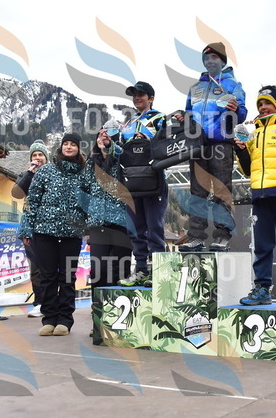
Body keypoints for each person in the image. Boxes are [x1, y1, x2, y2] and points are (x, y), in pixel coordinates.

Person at [235, 86, 276, 307]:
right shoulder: (253, 133)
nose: (263, 107)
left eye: (267, 103)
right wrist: (241, 150)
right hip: (260, 195)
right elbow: (247, 169)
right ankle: (262, 289)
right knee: (262, 246)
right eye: (260, 104)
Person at [175, 42, 247, 252]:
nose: (209, 61)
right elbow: (189, 113)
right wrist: (184, 118)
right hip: (197, 144)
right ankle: (196, 236)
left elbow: (242, 114)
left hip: (221, 143)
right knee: (197, 191)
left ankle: (222, 236)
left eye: (214, 57)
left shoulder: (233, 84)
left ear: (222, 61)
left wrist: (236, 110)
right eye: (206, 58)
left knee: (222, 190)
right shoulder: (195, 88)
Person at [18, 133, 86, 336]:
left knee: (67, 277)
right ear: (61, 147)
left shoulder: (85, 173)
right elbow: (32, 201)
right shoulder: (46, 170)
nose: (69, 147)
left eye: (73, 144)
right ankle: (49, 319)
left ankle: (65, 320)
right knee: (47, 276)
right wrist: (26, 228)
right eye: (66, 144)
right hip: (44, 231)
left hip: (72, 233)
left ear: (78, 148)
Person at [79, 127, 133, 343]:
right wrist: (85, 228)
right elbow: (83, 192)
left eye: (108, 135)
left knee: (120, 271)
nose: (103, 138)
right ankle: (99, 321)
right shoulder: (90, 164)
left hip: (122, 223)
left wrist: (111, 147)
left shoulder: (121, 159)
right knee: (99, 271)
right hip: (97, 225)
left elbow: (123, 159)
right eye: (100, 135)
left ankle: (121, 323)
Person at [116, 82, 167, 287]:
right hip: (132, 181)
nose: (137, 98)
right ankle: (141, 270)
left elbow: (168, 145)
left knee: (154, 228)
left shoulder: (160, 118)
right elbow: (121, 153)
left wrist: (149, 141)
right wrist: (109, 145)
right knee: (136, 230)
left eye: (141, 94)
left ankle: (159, 273)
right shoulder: (128, 124)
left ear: (151, 98)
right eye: (134, 95)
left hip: (154, 180)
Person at [12, 140, 50, 318]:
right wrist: (29, 173)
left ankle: (51, 301)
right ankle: (39, 302)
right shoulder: (25, 175)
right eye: (34, 155)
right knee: (35, 267)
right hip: (30, 227)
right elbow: (16, 193)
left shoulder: (53, 174)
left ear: (46, 158)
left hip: (49, 226)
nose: (37, 158)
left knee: (50, 266)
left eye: (40, 155)